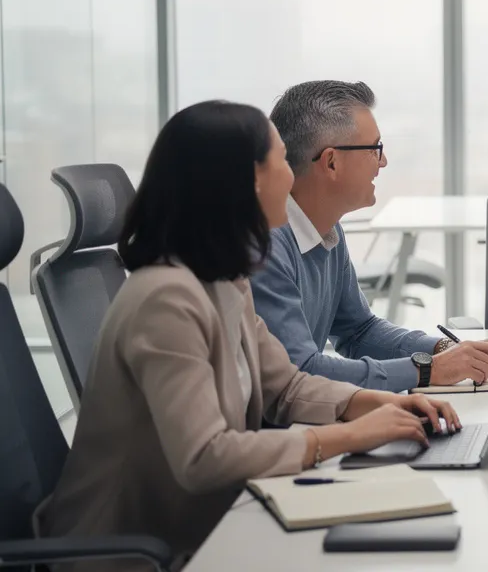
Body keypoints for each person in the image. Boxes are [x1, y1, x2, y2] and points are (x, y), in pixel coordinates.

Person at [34, 101, 461, 571]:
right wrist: (347, 436)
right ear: (247, 180)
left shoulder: (224, 279)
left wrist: (380, 403)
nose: (292, 174)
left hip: (211, 521)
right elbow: (204, 456)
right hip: (130, 550)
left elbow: (287, 386)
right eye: (281, 159)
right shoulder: (165, 300)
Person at [252, 81, 488, 393]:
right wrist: (428, 370)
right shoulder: (266, 245)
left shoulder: (327, 229)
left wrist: (442, 349)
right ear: (331, 162)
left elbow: (358, 331)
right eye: (375, 149)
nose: (382, 162)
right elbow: (300, 372)